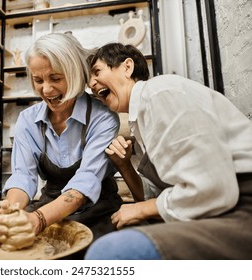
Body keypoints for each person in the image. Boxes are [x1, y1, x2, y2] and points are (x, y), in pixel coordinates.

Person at [84, 42, 252, 259]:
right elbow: (153, 194)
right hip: (216, 208)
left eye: (97, 71)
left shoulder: (159, 93)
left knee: (110, 252)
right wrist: (125, 166)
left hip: (241, 206)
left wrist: (141, 210)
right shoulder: (141, 118)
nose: (91, 84)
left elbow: (212, 188)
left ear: (127, 67)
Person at [0, 33, 122, 242]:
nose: (47, 89)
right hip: (48, 206)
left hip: (98, 212)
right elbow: (23, 176)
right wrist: (12, 210)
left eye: (56, 78)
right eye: (38, 80)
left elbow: (85, 182)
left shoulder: (103, 118)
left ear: (75, 73)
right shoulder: (28, 120)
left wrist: (39, 220)